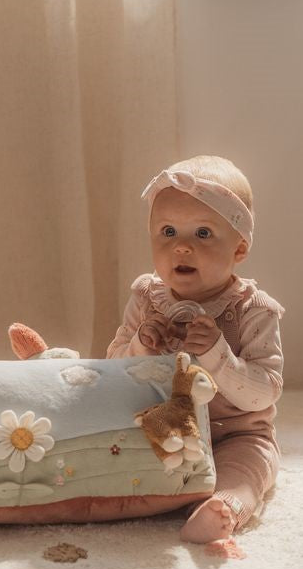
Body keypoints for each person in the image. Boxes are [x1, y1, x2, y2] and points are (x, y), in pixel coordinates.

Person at [107, 155, 284, 544]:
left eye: (202, 234)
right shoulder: (145, 296)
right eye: (167, 231)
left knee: (250, 466)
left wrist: (220, 355)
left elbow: (264, 392)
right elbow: (112, 371)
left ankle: (223, 507)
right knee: (115, 452)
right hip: (157, 427)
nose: (181, 248)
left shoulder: (255, 310)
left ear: (239, 250)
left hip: (235, 434)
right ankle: (135, 495)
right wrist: (140, 345)